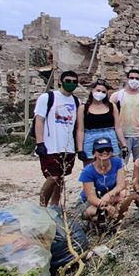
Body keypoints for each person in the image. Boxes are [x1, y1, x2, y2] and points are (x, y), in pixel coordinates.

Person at [34, 69, 81, 207]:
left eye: (74, 82)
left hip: (67, 146)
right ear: (60, 81)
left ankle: (55, 205)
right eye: (68, 81)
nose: (71, 84)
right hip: (50, 145)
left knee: (60, 178)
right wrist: (40, 142)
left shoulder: (76, 101)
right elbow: (39, 120)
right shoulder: (47, 98)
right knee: (52, 177)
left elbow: (77, 125)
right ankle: (42, 206)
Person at [77, 137, 128, 230]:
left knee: (124, 194)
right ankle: (94, 222)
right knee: (92, 212)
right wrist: (106, 206)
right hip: (90, 202)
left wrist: (108, 196)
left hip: (109, 196)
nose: (104, 152)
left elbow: (121, 185)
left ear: (112, 151)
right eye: (100, 150)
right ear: (94, 153)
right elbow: (91, 197)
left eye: (107, 149)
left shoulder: (117, 162)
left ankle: (114, 221)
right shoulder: (87, 171)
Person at [76, 79, 127, 164]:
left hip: (110, 137)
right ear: (92, 90)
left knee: (113, 166)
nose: (100, 94)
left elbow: (118, 127)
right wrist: (80, 149)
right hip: (90, 139)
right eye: (98, 90)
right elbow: (80, 130)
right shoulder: (83, 108)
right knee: (91, 168)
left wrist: (124, 145)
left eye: (103, 92)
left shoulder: (111, 106)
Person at [114, 68, 139, 160]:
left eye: (137, 78)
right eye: (131, 78)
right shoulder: (117, 96)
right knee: (121, 164)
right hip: (123, 136)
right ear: (127, 79)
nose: (134, 80)